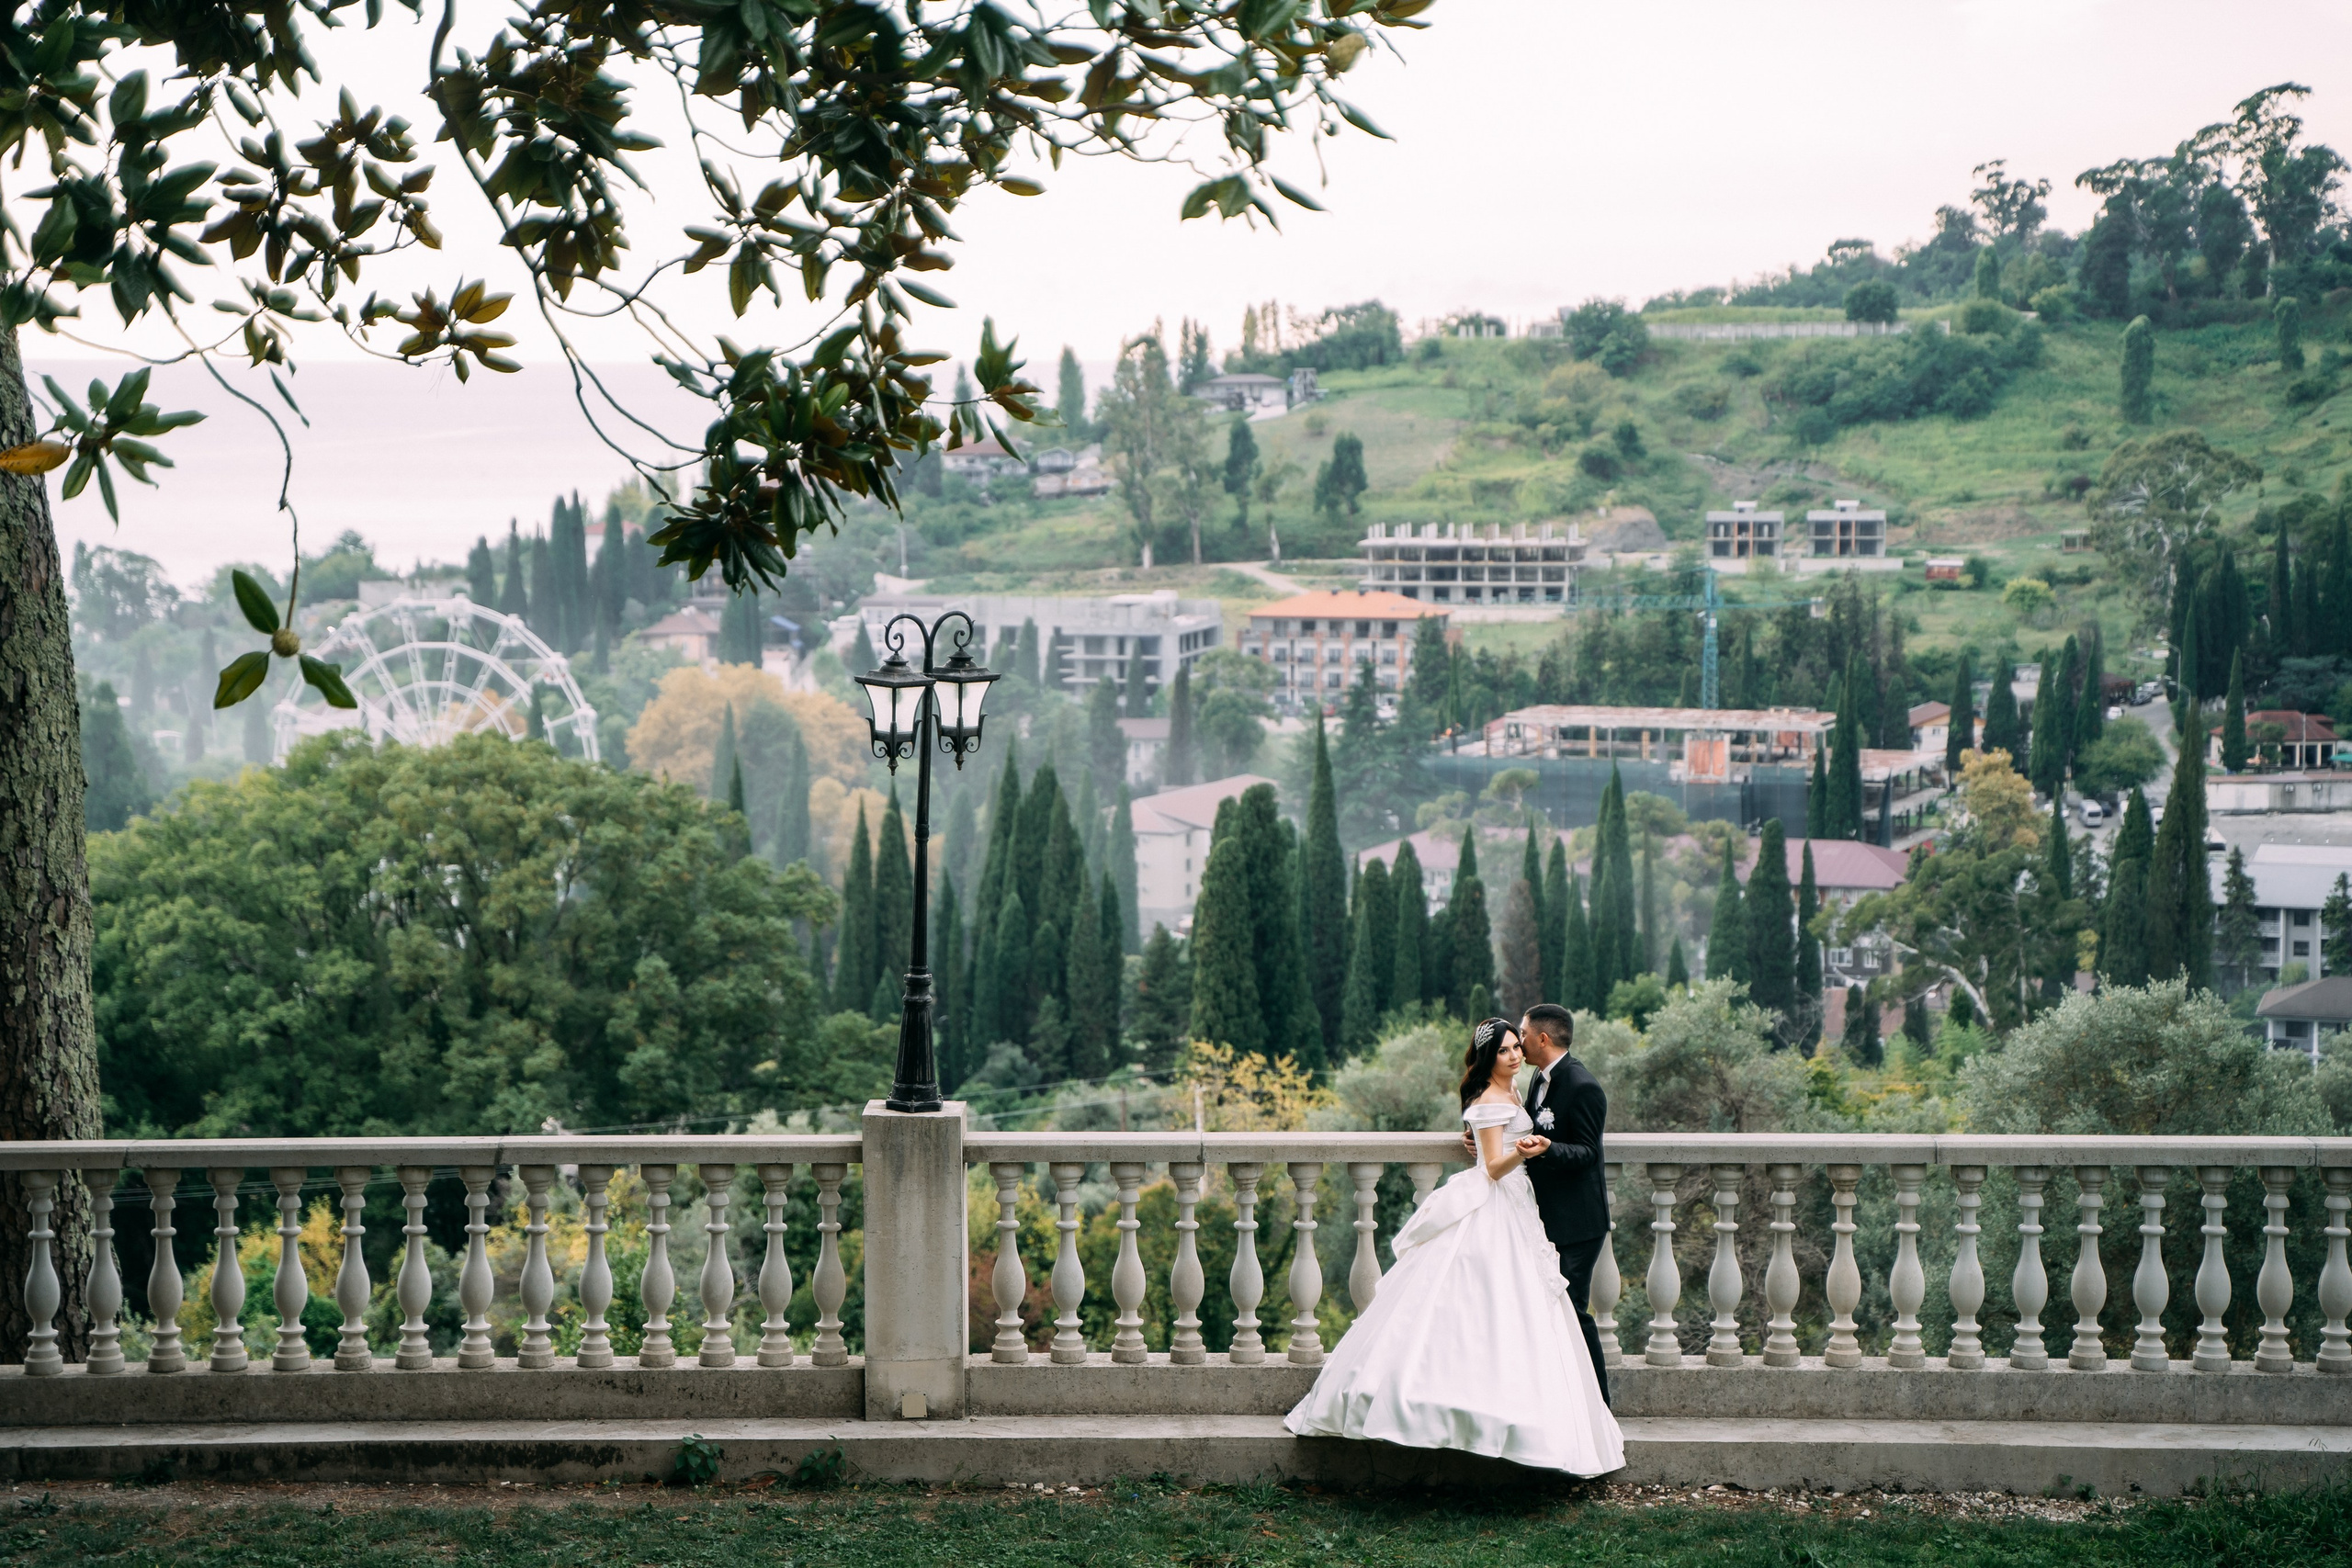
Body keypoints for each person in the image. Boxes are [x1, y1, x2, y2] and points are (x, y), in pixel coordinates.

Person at [1283, 1018, 1623, 1475]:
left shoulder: (1534, 1088)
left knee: (1533, 1307)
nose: (1515, 1053)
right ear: (1489, 1057)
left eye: (1517, 1046)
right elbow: (1490, 1165)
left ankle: (1570, 1411)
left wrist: (1517, 1147)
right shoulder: (1489, 1098)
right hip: (1499, 1200)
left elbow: (1557, 1144)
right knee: (1477, 1302)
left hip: (1526, 1209)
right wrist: (1516, 1151)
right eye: (1505, 1050)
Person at [1511, 1002, 1613, 1404]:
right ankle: (1560, 1399)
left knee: (1572, 1310)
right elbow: (1531, 1128)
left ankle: (1599, 1404)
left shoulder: (1583, 1086)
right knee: (1547, 1310)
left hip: (1579, 1223)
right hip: (1546, 1218)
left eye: (1522, 1034)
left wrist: (1550, 1148)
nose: (1518, 1041)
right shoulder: (1539, 1079)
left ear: (1542, 1038)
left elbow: (1588, 1152)